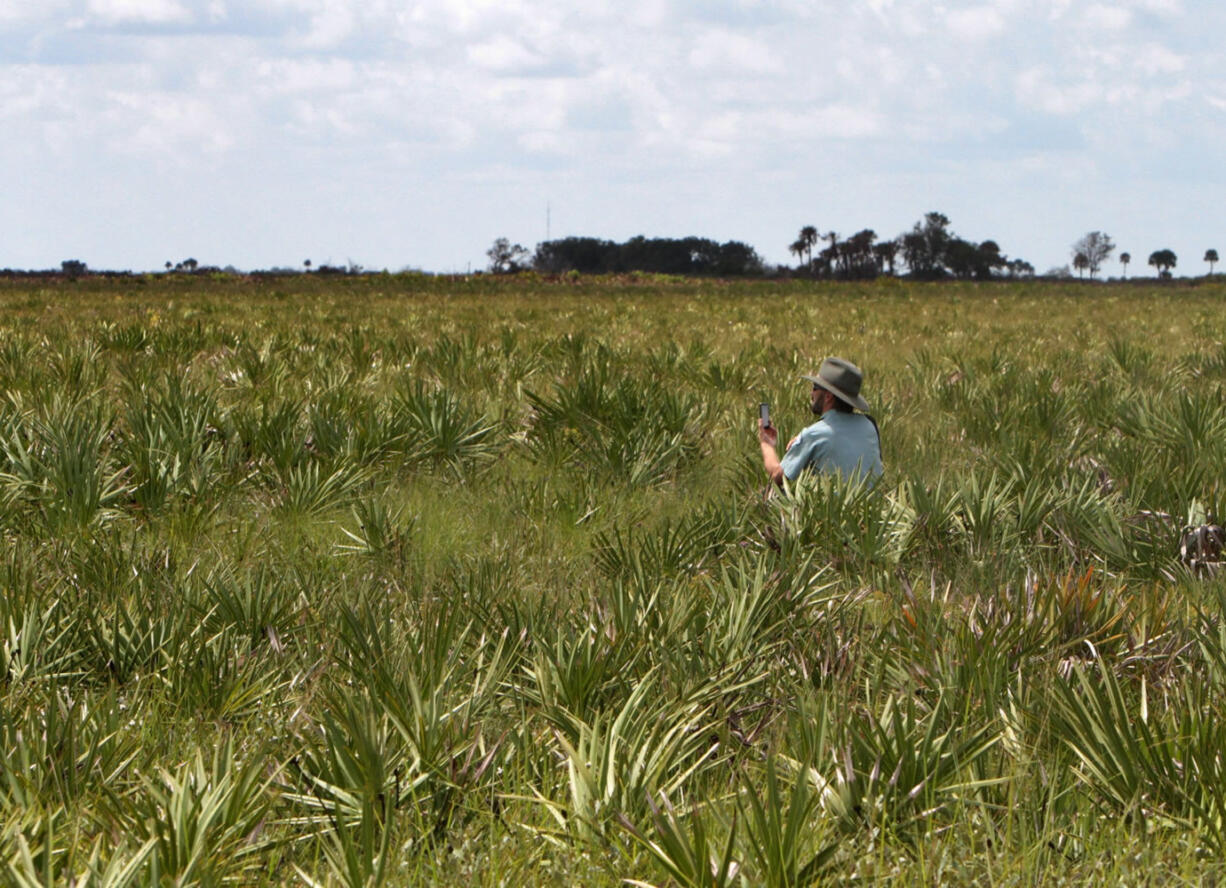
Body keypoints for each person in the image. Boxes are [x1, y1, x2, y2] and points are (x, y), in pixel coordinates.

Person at [758, 357, 883, 488]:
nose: (811, 393)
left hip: (835, 508)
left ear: (828, 396)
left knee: (774, 492)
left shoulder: (815, 434)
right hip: (874, 507)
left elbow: (777, 476)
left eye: (815, 387)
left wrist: (767, 443)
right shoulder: (869, 425)